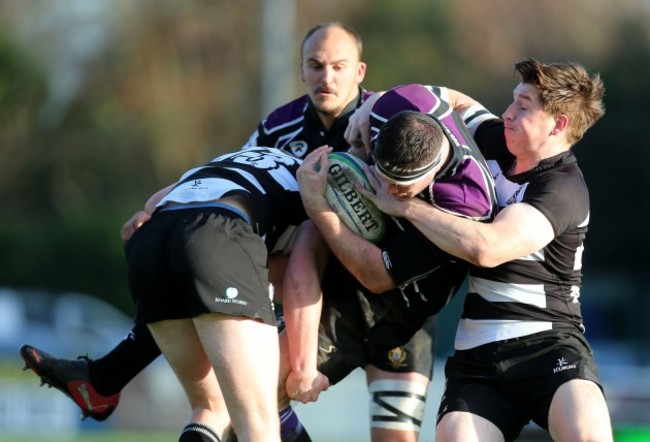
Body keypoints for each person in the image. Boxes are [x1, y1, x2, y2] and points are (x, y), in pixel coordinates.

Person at [20, 22, 448, 442]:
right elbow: (230, 176)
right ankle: (105, 377)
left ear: (360, 71)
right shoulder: (279, 129)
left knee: (373, 432)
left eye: (338, 66)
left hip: (395, 298)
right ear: (301, 69)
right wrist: (152, 205)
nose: (326, 76)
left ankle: (104, 377)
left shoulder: (389, 120)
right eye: (315, 65)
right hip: (322, 293)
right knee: (256, 410)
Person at [351, 60, 613, 441]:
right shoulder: (494, 138)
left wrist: (405, 206)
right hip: (479, 358)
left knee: (588, 432)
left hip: (549, 345)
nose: (507, 113)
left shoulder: (563, 188)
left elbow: (486, 248)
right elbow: (444, 98)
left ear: (558, 125)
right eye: (512, 102)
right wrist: (369, 106)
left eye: (523, 106)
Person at [280, 84, 496, 438]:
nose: (387, 189)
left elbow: (378, 275)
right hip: (350, 252)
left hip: (390, 302)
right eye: (382, 174)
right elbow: (430, 94)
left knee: (267, 392)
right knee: (257, 391)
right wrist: (363, 123)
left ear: (429, 178)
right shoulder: (403, 104)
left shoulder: (465, 206)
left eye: (400, 187)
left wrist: (319, 206)